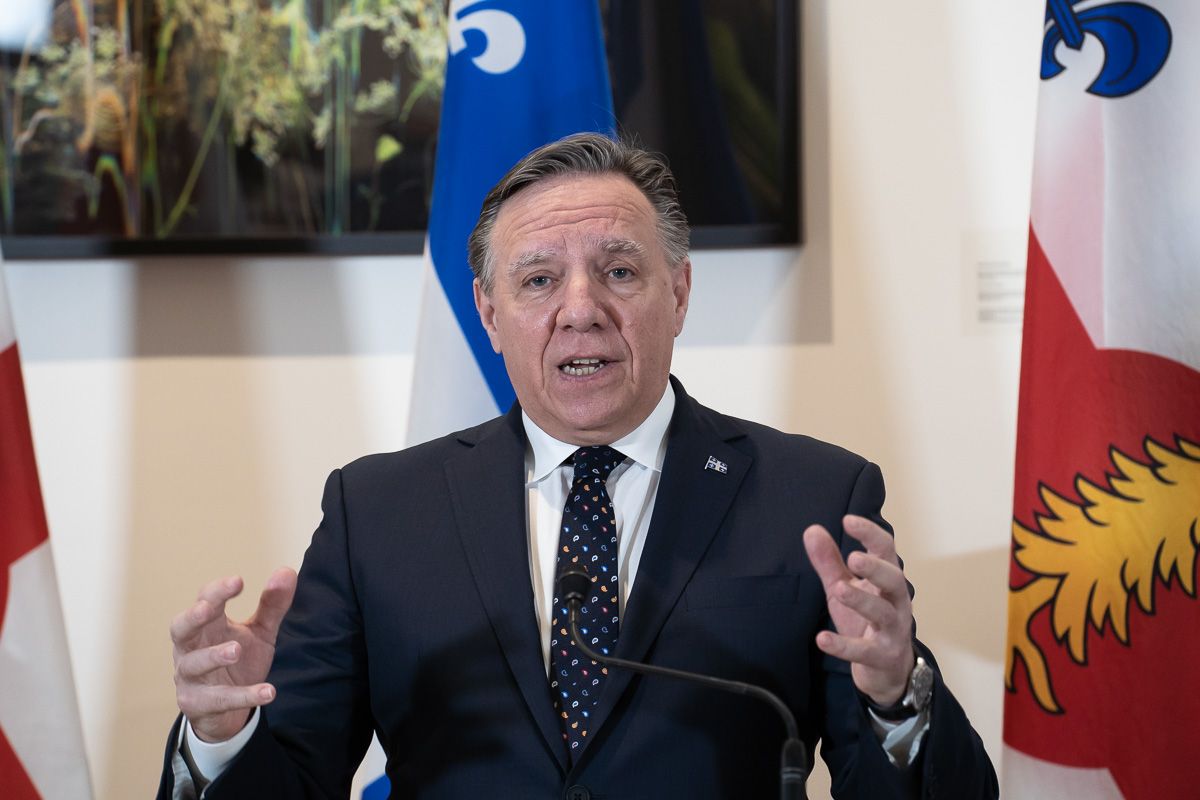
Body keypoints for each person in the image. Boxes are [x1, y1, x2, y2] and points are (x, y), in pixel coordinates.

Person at [161, 134, 998, 799]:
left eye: (620, 271)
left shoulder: (814, 499)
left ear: (678, 293)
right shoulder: (376, 512)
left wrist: (898, 697)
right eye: (537, 280)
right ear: (489, 314)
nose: (581, 310)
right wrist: (226, 732)